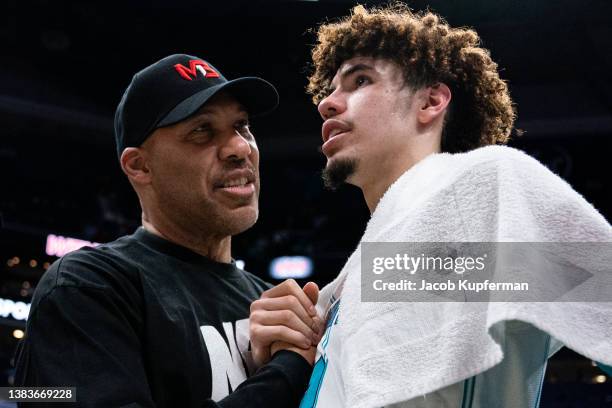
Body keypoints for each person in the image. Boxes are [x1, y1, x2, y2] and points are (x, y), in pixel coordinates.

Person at [251, 4, 612, 408]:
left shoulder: (489, 182)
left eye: (360, 80)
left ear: (431, 102)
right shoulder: (350, 281)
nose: (328, 104)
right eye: (330, 90)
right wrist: (286, 363)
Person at [14, 54, 321, 407]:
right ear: (139, 165)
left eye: (242, 126)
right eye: (202, 130)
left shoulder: (278, 308)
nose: (240, 148)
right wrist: (288, 368)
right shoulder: (86, 288)